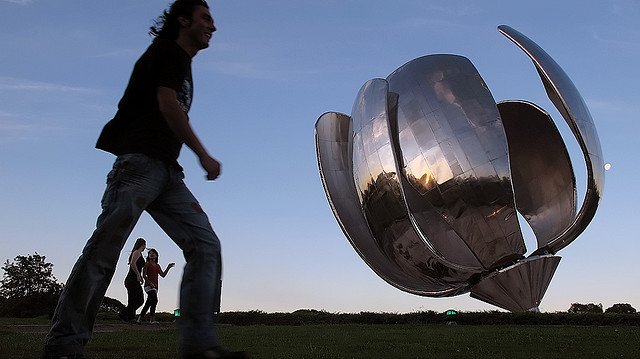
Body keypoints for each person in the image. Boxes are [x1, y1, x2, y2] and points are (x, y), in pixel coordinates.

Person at [43, 1, 248, 358]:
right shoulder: (167, 51)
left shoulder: (182, 62)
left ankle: (200, 345)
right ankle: (64, 343)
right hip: (138, 165)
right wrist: (202, 153)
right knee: (104, 251)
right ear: (183, 20)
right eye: (206, 19)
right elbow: (167, 103)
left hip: (169, 174)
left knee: (205, 244)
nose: (213, 27)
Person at [137, 248, 175, 324]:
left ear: (156, 256)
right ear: (148, 256)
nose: (151, 254)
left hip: (155, 287)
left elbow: (163, 275)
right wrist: (149, 282)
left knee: (149, 303)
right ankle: (152, 320)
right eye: (150, 253)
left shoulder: (157, 266)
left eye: (153, 253)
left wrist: (168, 267)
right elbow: (144, 275)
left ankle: (140, 319)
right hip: (148, 286)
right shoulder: (147, 263)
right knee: (154, 299)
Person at [124, 237, 147, 322]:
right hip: (131, 279)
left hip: (135, 280)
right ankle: (131, 318)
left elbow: (139, 266)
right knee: (132, 299)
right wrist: (138, 275)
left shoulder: (140, 254)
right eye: (145, 245)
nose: (145, 247)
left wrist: (140, 277)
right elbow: (132, 264)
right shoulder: (137, 252)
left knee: (140, 300)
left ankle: (124, 314)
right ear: (143, 244)